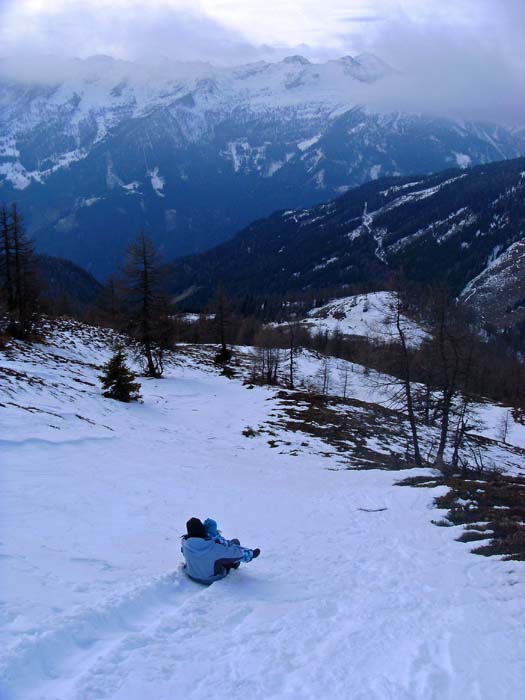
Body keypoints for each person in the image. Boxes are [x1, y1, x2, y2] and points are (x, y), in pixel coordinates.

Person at [181, 517, 260, 584]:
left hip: (191, 574)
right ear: (202, 530)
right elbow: (236, 553)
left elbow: (184, 552)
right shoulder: (213, 547)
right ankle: (235, 565)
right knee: (234, 543)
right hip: (210, 578)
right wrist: (251, 554)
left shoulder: (185, 544)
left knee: (207, 558)